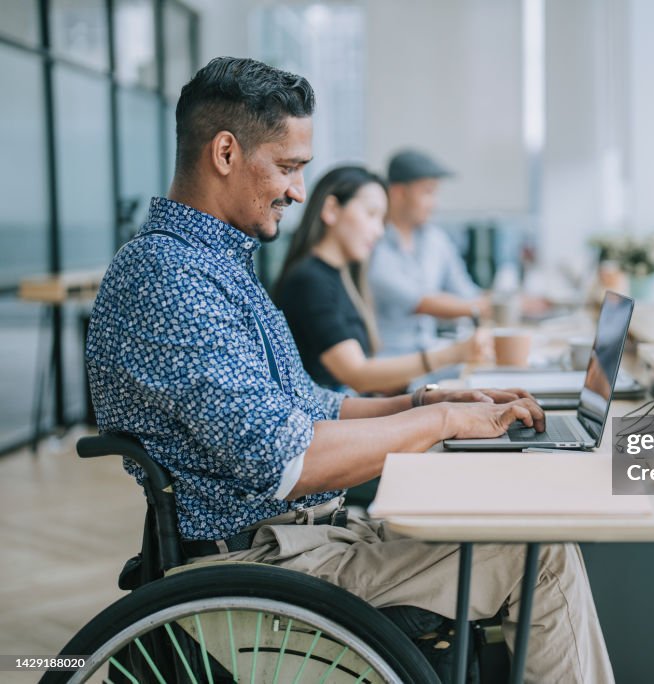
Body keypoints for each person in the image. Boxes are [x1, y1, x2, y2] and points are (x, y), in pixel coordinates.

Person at [85, 56, 614, 683]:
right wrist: (445, 419)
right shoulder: (171, 279)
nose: (298, 191)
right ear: (225, 153)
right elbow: (289, 460)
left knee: (515, 529)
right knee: (540, 554)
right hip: (263, 571)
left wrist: (429, 404)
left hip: (302, 543)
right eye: (287, 167)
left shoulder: (215, 266)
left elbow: (315, 406)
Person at [274, 165, 492, 395]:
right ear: (331, 210)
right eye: (371, 214)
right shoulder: (310, 281)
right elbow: (358, 375)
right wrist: (452, 354)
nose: (379, 231)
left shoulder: (342, 275)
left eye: (382, 220)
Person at [368, 149, 492, 356]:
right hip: (390, 362)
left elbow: (466, 292)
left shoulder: (435, 239)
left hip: (430, 349)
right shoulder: (374, 244)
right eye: (427, 192)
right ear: (399, 193)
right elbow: (421, 302)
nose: (435, 203)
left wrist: (501, 302)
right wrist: (491, 306)